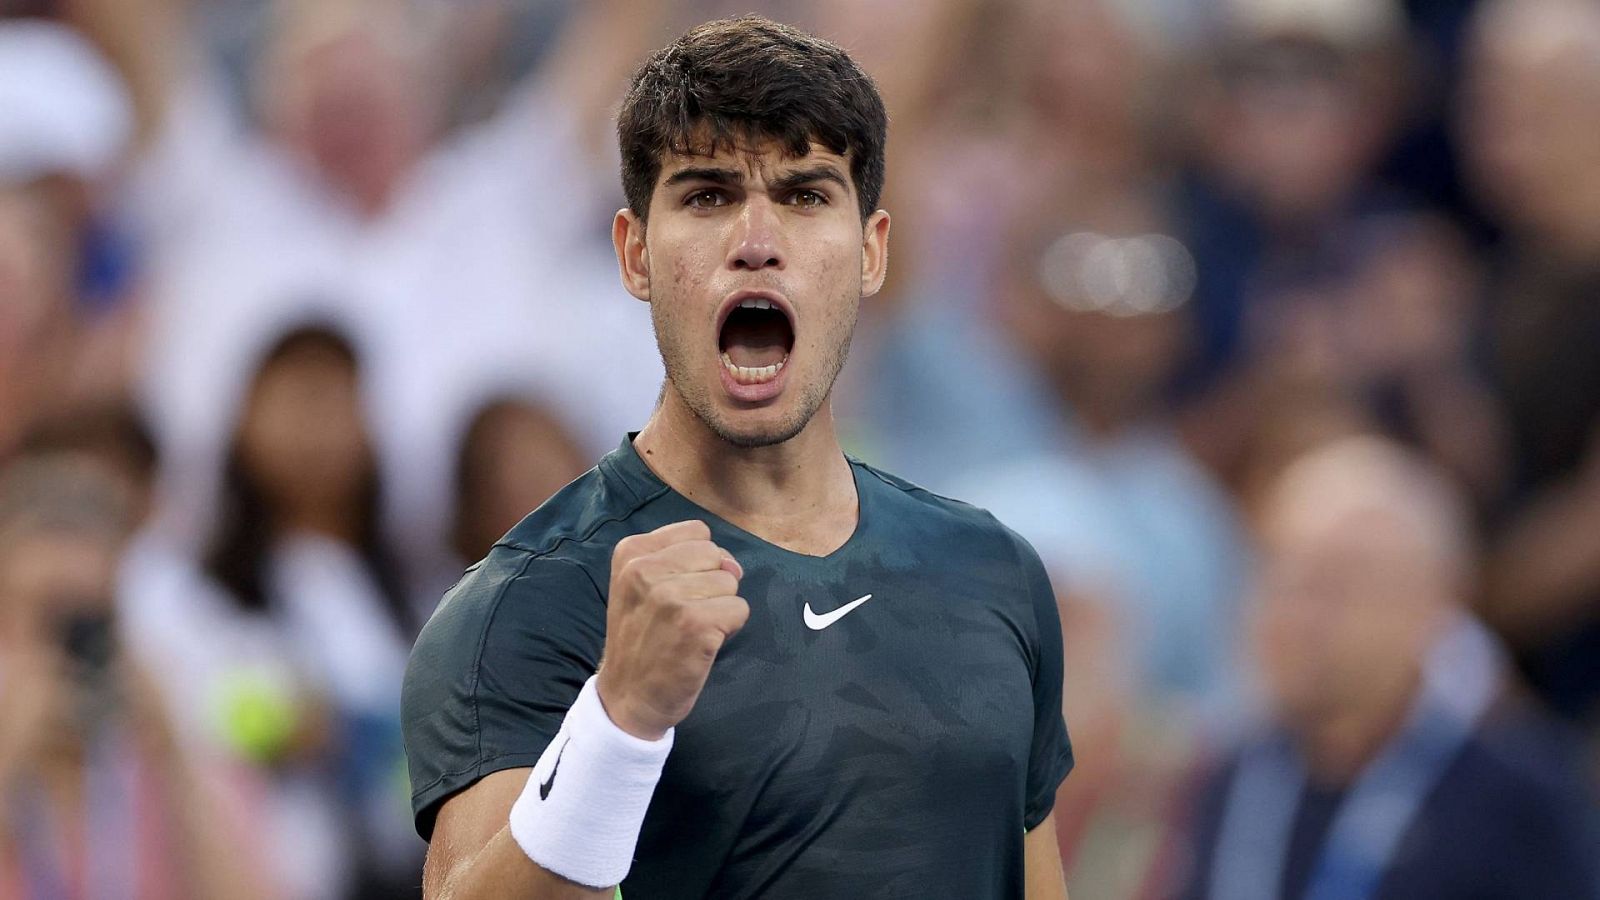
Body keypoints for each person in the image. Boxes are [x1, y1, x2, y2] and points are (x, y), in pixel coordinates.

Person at [402, 15, 1074, 900]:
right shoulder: (526, 606)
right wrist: (619, 723)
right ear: (635, 254)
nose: (756, 241)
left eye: (804, 195)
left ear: (871, 251)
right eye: (708, 196)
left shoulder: (992, 571)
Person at [1165, 436, 1600, 900]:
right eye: (1279, 576)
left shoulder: (1518, 798)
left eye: (1334, 584)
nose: (1297, 614)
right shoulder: (1231, 780)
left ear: (1435, 603)